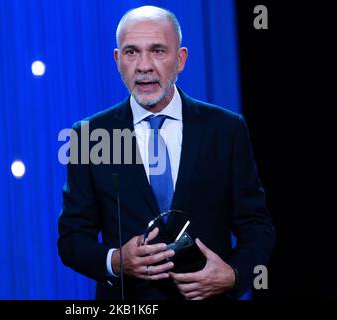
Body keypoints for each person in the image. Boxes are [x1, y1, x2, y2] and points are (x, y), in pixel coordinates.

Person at [58, 5, 275, 300]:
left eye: (158, 51)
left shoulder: (226, 129)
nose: (144, 65)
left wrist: (234, 275)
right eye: (132, 52)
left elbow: (257, 226)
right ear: (117, 60)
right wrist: (117, 261)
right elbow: (71, 239)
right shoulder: (90, 135)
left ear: (181, 59)